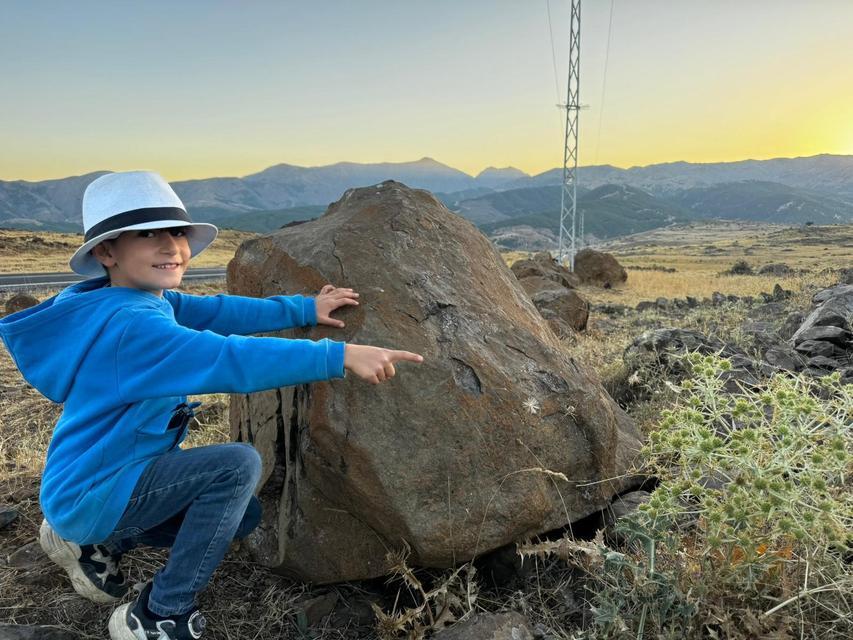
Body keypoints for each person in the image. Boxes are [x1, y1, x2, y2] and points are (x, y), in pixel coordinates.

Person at [0, 170, 424, 640]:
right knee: (234, 467)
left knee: (241, 516)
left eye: (177, 232)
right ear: (106, 252)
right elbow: (226, 357)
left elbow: (218, 312)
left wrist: (303, 309)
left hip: (93, 480)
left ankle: (91, 538)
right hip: (94, 490)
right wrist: (339, 355)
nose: (171, 246)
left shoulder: (130, 298)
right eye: (147, 235)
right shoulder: (130, 327)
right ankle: (160, 614)